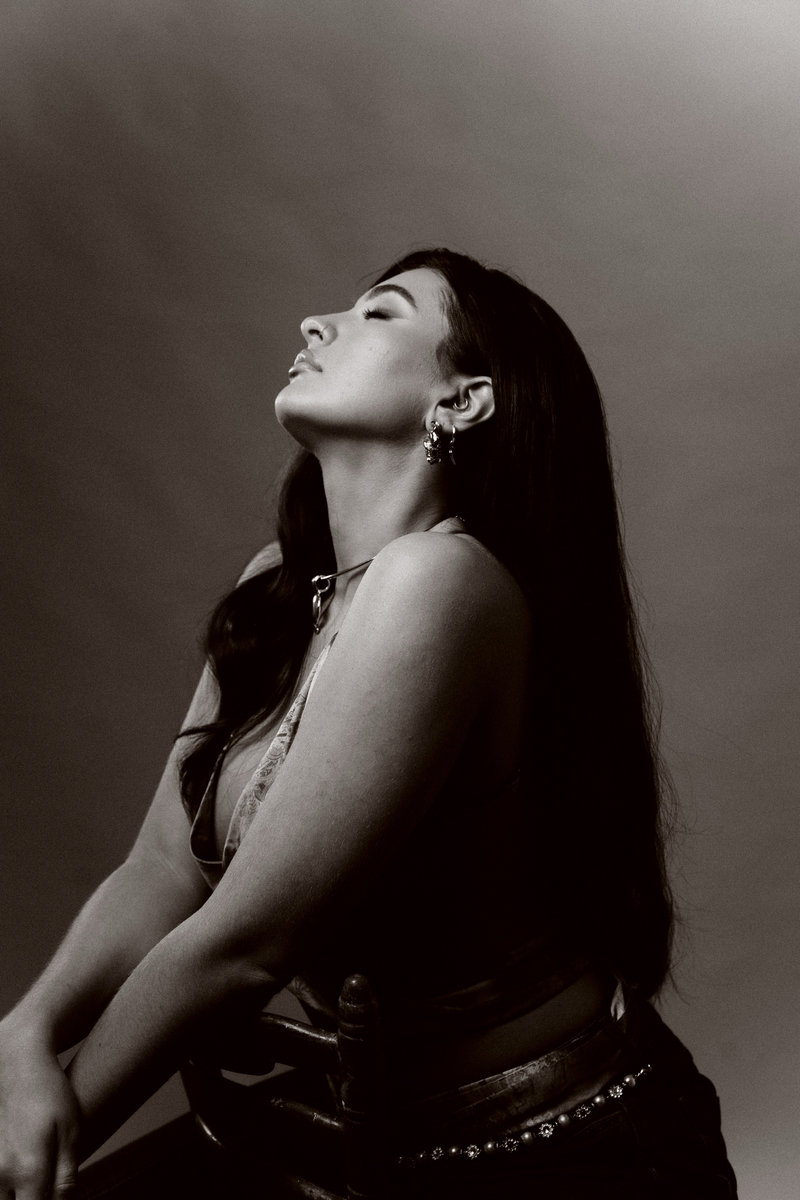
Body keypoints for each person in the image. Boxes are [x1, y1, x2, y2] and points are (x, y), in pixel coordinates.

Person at [0, 248, 737, 1198]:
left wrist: (36, 1158)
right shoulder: (278, 585)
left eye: (380, 313)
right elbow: (162, 871)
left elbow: (243, 947)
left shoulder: (445, 582)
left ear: (462, 402)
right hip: (349, 1136)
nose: (318, 323)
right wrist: (24, 1038)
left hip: (557, 1152)